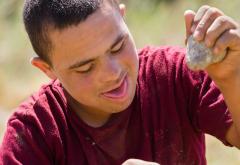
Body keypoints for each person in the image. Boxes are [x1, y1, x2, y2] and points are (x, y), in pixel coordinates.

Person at [0, 0, 240, 164]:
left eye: (118, 47)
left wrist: (231, 77)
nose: (112, 73)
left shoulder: (174, 74)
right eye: (85, 67)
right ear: (47, 69)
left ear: (122, 17)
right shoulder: (34, 134)